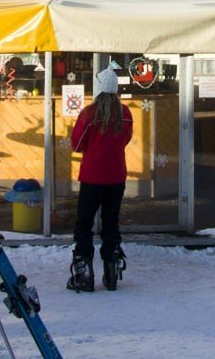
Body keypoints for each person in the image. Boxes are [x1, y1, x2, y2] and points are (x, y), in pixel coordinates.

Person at [68, 65, 133, 292]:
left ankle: (84, 271)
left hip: (92, 176)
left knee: (84, 223)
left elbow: (77, 144)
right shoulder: (125, 114)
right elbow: (126, 139)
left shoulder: (89, 114)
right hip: (116, 176)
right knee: (110, 222)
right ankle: (111, 266)